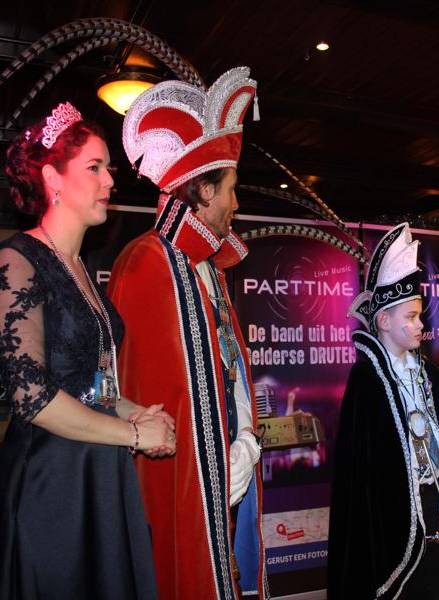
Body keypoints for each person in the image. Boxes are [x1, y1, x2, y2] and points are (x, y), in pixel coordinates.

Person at [0, 102, 175, 600]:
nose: (109, 180)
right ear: (53, 179)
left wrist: (137, 414)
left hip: (98, 470)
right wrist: (134, 433)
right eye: (94, 167)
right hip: (53, 482)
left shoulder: (80, 268)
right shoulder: (15, 260)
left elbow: (92, 385)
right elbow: (34, 398)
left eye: (108, 168)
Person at [109, 68, 266, 600]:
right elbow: (154, 395)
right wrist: (214, 464)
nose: (236, 204)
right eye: (231, 190)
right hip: (186, 485)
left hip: (230, 470)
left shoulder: (209, 269)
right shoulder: (146, 263)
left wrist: (246, 441)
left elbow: (230, 368)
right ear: (203, 189)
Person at [328, 223, 439, 600]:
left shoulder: (425, 374)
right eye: (412, 317)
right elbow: (362, 478)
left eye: (420, 316)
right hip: (388, 524)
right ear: (383, 321)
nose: (421, 325)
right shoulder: (366, 380)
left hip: (431, 507)